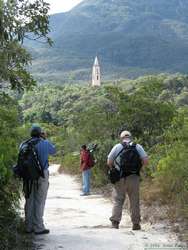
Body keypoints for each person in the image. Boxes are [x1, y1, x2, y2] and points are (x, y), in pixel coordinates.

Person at [107, 130, 148, 230]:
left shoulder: (117, 146)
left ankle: (115, 223)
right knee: (134, 200)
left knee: (118, 199)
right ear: (131, 137)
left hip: (120, 177)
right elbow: (146, 161)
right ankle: (136, 224)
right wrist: (138, 168)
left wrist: (114, 168)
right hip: (134, 177)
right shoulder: (137, 147)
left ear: (121, 138)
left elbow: (109, 161)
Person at [22, 125, 56, 234]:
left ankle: (28, 226)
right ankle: (38, 227)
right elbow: (54, 151)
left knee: (29, 200)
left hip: (28, 176)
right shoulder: (44, 143)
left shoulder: (24, 144)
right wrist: (45, 138)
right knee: (39, 201)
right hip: (42, 175)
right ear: (40, 133)